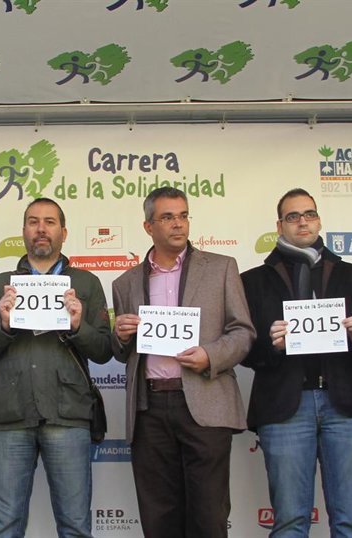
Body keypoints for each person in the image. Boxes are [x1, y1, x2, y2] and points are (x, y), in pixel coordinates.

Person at [110, 186, 254, 538]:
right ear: (148, 227)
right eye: (167, 217)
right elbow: (120, 351)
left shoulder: (221, 267)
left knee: (209, 517)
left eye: (183, 215)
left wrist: (210, 355)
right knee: (159, 519)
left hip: (205, 403)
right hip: (149, 408)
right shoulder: (125, 282)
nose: (178, 224)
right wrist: (121, 335)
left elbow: (243, 332)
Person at [240, 188, 352, 537]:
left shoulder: (351, 273)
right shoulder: (253, 280)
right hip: (284, 406)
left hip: (345, 404)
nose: (303, 221)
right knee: (289, 522)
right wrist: (272, 345)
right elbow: (245, 352)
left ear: (319, 220)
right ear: (279, 225)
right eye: (293, 216)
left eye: (309, 214)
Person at [0, 198, 112, 538]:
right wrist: (4, 325)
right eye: (33, 221)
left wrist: (78, 325)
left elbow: (104, 351)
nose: (41, 229)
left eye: (50, 222)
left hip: (68, 414)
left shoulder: (86, 283)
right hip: (10, 416)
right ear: (23, 230)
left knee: (75, 527)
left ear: (63, 232)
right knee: (5, 527)